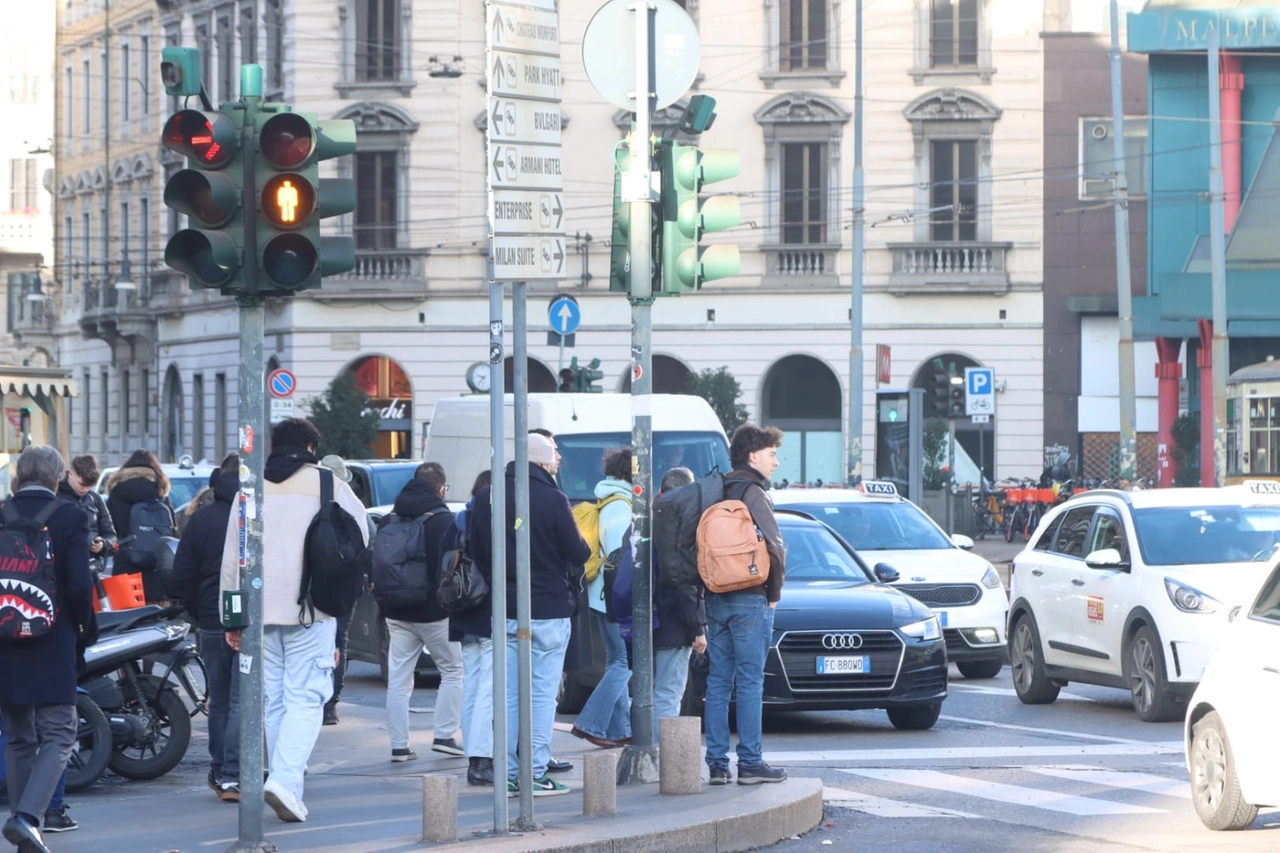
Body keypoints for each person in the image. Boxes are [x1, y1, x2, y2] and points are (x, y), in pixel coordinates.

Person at [220, 418, 369, 823]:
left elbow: (233, 559)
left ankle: (287, 785)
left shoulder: (248, 488)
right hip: (312, 609)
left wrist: (232, 620)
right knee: (306, 697)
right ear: (310, 447)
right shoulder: (328, 484)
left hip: (258, 613)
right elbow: (361, 539)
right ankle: (285, 781)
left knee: (275, 700)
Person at [470, 432, 590, 797]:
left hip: (505, 610)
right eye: (554, 453)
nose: (558, 459)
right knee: (540, 697)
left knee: (507, 698)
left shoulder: (487, 496)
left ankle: (505, 773)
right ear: (540, 460)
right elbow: (578, 552)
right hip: (549, 610)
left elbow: (477, 550)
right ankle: (534, 773)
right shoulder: (553, 498)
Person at [0, 446, 96, 853]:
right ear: (58, 477)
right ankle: (26, 818)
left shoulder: (1, 512)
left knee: (20, 735)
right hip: (53, 638)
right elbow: (78, 584)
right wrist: (83, 628)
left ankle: (27, 832)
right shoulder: (70, 516)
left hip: (4, 635)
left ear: (20, 476)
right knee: (60, 731)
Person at [704, 424, 787, 786]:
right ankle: (751, 763)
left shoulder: (714, 489)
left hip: (715, 595)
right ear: (753, 456)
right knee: (751, 681)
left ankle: (718, 764)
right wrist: (773, 595)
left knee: (718, 681)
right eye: (772, 454)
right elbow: (776, 548)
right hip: (750, 598)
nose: (776, 462)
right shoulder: (754, 493)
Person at [381, 462, 465, 762]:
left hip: (395, 610)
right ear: (442, 489)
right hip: (433, 612)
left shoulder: (390, 517)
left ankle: (399, 746)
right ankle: (444, 735)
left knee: (399, 679)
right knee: (453, 670)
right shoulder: (442, 520)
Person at [173, 453, 241, 803]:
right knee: (244, 699)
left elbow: (181, 574)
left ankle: (220, 770)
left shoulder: (200, 521)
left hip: (212, 620)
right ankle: (234, 773)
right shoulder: (252, 518)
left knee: (220, 700)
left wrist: (196, 613)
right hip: (247, 620)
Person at [571, 447, 634, 749]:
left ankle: (619, 730)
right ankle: (590, 723)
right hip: (614, 598)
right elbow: (618, 557)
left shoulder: (607, 500)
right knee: (625, 662)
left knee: (616, 661)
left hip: (599, 596)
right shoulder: (621, 506)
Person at [449, 469, 496, 786]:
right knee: (489, 690)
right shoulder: (488, 521)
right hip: (489, 612)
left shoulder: (457, 521)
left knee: (473, 686)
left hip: (463, 612)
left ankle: (473, 756)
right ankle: (481, 759)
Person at [652, 466, 707, 727]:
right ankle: (661, 755)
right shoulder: (676, 527)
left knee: (654, 690)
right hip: (673, 622)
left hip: (649, 618)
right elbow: (683, 581)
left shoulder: (647, 519)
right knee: (669, 692)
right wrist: (698, 628)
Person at [104, 449, 176, 602]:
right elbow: (172, 533)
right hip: (156, 568)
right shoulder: (160, 493)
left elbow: (109, 530)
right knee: (158, 619)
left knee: (125, 620)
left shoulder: (117, 493)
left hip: (125, 570)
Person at [318, 454, 355, 727]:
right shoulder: (350, 501)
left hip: (312, 581)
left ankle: (316, 697)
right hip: (345, 582)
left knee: (313, 638)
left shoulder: (310, 500)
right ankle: (331, 705)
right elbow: (368, 536)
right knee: (339, 640)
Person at [56, 454, 117, 578]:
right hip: (62, 567)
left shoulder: (95, 499)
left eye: (89, 486)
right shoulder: (55, 496)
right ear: (71, 473)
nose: (85, 489)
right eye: (82, 484)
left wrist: (103, 544)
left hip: (92, 569)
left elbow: (111, 535)